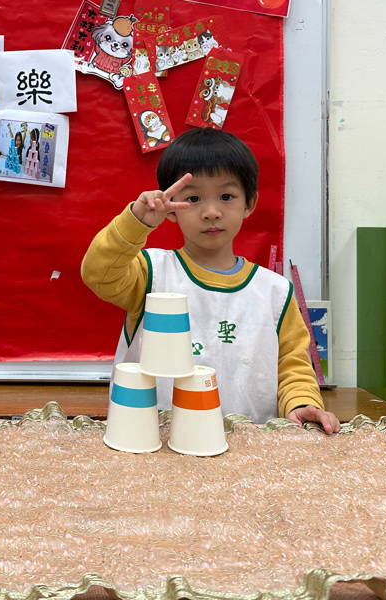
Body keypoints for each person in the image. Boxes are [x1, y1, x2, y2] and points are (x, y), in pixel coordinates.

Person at [80, 127, 339, 433]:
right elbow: (98, 272)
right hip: (154, 442)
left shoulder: (276, 292)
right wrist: (135, 223)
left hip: (250, 446)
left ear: (249, 203)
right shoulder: (150, 272)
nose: (211, 212)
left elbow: (292, 366)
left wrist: (301, 404)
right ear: (171, 208)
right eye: (193, 198)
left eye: (226, 196)